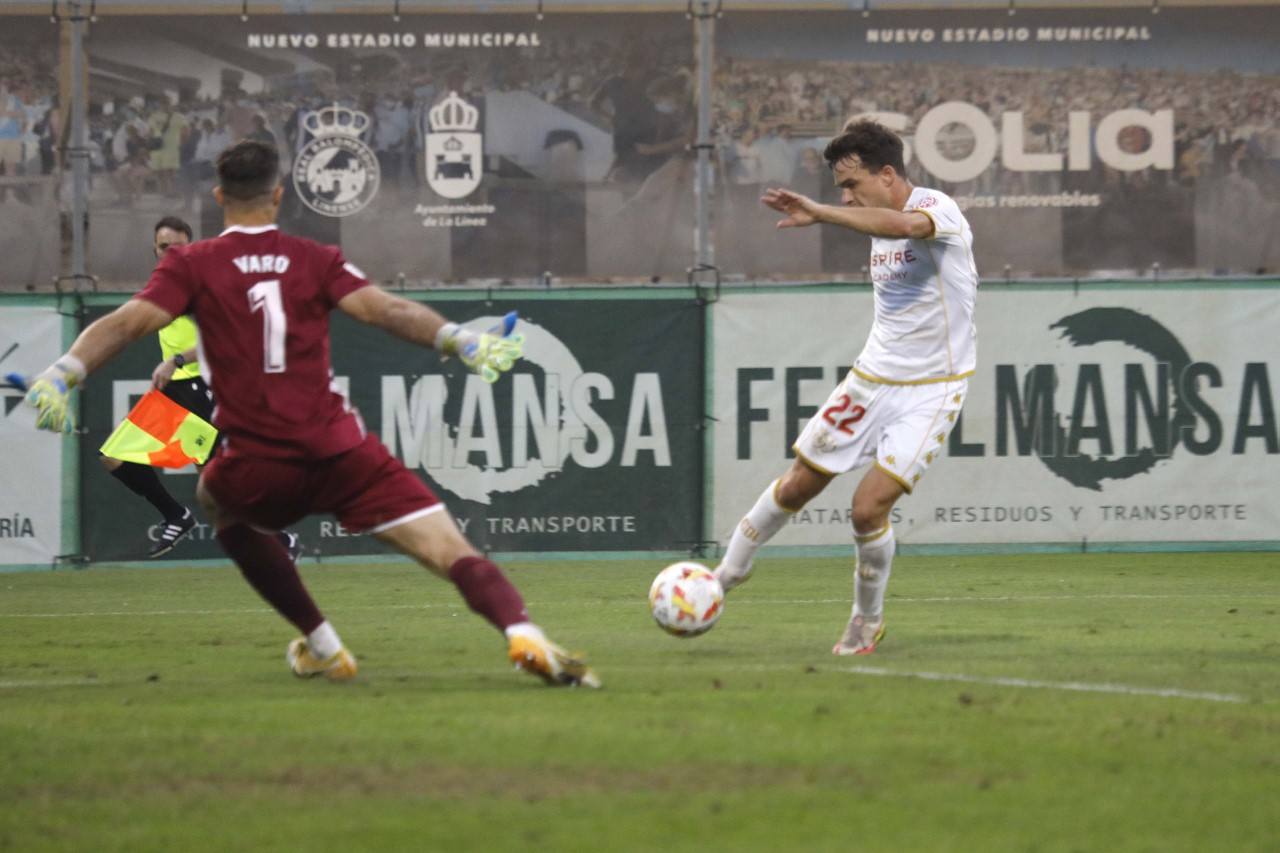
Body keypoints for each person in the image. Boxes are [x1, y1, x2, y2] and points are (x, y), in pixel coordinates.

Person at [19, 140, 598, 688]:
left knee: (216, 501)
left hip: (258, 462)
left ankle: (323, 644)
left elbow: (127, 323)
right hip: (341, 452)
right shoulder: (313, 258)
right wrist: (459, 340)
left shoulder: (192, 264)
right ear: (278, 196)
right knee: (449, 551)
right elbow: (383, 309)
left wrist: (63, 373)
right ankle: (523, 632)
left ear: (219, 198)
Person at [714, 120, 977, 656]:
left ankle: (866, 620)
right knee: (797, 485)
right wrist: (835, 211)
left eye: (852, 185)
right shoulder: (875, 223)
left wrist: (822, 212)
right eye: (840, 189)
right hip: (871, 379)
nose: (847, 195)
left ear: (887, 175)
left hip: (933, 388)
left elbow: (903, 229)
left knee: (866, 509)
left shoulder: (939, 209)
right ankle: (722, 578)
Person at [98, 216, 301, 561]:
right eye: (165, 247)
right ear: (155, 249)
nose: (171, 253)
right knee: (114, 456)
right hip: (174, 393)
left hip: (202, 386)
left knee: (218, 485)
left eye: (178, 247)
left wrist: (176, 360)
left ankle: (281, 541)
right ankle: (177, 515)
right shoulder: (161, 286)